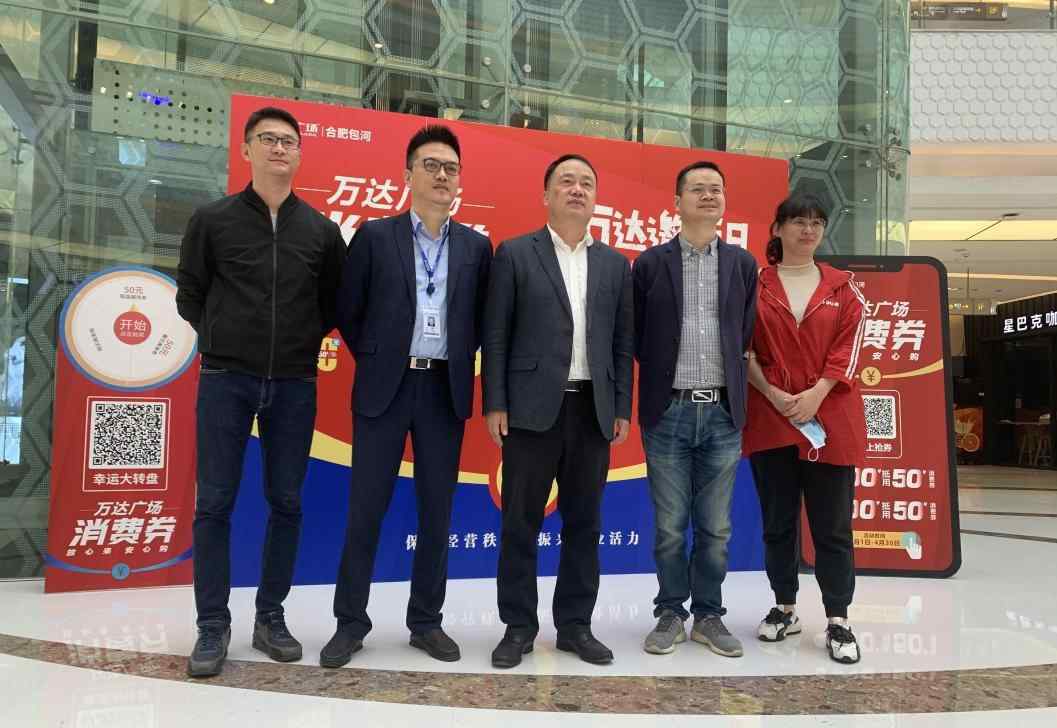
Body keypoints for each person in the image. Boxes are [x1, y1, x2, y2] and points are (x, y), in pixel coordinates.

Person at [176, 106, 346, 678]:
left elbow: (332, 305)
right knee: (214, 503)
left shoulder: (321, 232)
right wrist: (224, 337)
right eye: (268, 139)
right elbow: (190, 294)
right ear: (246, 149)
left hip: (295, 382)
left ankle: (270, 617)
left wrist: (295, 342)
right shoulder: (213, 220)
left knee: (287, 502)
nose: (279, 148)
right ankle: (212, 625)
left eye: (288, 141)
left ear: (299, 154)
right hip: (226, 379)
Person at [321, 125, 492, 668]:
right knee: (366, 509)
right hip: (385, 389)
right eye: (431, 165)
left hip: (444, 390)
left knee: (437, 513)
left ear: (459, 180)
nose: (442, 176)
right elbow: (349, 310)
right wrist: (378, 355)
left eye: (451, 168)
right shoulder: (376, 236)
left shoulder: (476, 248)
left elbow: (483, 322)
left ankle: (426, 622)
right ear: (408, 174)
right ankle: (350, 623)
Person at [482, 154, 633, 668]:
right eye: (566, 181)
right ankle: (518, 627)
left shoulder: (615, 264)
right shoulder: (515, 254)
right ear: (546, 194)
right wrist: (496, 402)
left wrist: (621, 405)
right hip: (529, 410)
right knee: (520, 522)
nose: (577, 189)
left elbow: (623, 343)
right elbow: (496, 335)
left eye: (586, 183)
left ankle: (575, 626)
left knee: (584, 524)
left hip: (593, 410)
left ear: (595, 198)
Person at [632, 161, 758, 658]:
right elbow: (638, 337)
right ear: (677, 202)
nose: (709, 196)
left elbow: (744, 334)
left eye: (716, 189)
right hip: (669, 411)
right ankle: (670, 613)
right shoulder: (650, 264)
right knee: (669, 527)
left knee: (716, 528)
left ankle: (708, 614)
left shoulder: (742, 264)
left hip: (723, 413)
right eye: (698, 189)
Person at [743, 192, 867, 665]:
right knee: (778, 523)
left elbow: (849, 348)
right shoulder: (754, 285)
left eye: (817, 222)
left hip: (829, 417)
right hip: (771, 416)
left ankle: (838, 618)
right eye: (798, 221)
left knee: (832, 526)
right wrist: (773, 394)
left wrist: (817, 393)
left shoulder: (843, 287)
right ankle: (785, 607)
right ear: (778, 229)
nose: (808, 230)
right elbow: (741, 348)